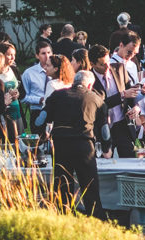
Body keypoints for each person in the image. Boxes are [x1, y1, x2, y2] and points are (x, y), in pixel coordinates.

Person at [43, 70, 105, 217]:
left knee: (62, 184)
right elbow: (104, 129)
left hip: (61, 143)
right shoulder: (95, 98)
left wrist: (42, 134)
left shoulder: (57, 95)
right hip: (84, 145)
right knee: (89, 184)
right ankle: (95, 218)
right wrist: (107, 147)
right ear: (89, 84)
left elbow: (41, 118)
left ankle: (63, 216)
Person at [21, 40, 54, 134]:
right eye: (43, 53)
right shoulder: (29, 73)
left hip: (55, 111)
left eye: (49, 52)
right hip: (37, 111)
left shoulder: (57, 71)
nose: (47, 56)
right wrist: (39, 100)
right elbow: (23, 97)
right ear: (37, 55)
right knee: (39, 143)